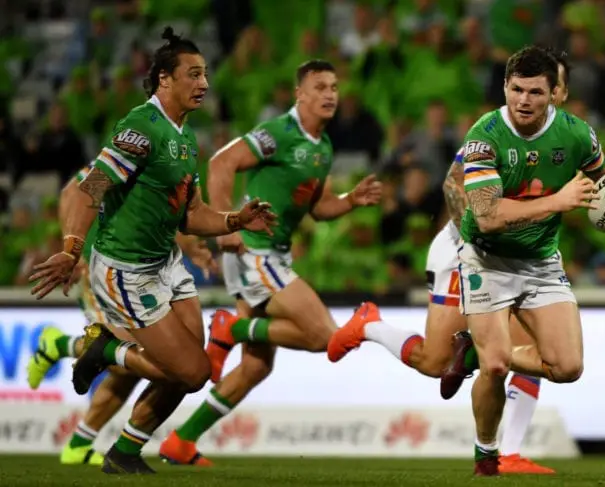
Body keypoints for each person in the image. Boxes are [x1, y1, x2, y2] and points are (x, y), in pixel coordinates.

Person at [28, 27, 276, 475]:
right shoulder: (141, 127)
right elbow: (91, 188)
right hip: (127, 269)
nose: (204, 83)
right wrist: (71, 249)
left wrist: (235, 220)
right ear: (164, 78)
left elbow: (192, 215)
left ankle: (125, 451)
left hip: (167, 263)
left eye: (205, 74)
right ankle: (107, 350)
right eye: (193, 74)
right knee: (193, 373)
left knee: (191, 369)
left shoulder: (185, 138)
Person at [326, 50, 575, 475]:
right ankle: (369, 326)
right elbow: (452, 185)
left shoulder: (568, 140)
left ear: (559, 93)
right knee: (436, 363)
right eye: (526, 89)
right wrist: (477, 242)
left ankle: (508, 451)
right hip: (467, 252)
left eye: (552, 87)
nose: (538, 96)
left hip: (526, 259)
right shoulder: (494, 131)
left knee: (535, 346)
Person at [440, 45, 605, 476]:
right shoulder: (484, 136)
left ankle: (474, 351)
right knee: (497, 365)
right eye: (516, 89)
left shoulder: (576, 134)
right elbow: (488, 215)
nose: (523, 100)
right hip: (486, 259)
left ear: (554, 93)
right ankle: (487, 456)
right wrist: (559, 201)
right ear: (505, 86)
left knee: (568, 367)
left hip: (540, 262)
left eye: (535, 92)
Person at [158, 59, 382, 465]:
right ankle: (231, 328)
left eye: (334, 87)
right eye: (319, 87)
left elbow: (318, 209)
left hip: (268, 253)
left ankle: (182, 440)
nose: (330, 94)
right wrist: (225, 224)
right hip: (253, 250)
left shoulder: (323, 147)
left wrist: (350, 201)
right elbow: (221, 162)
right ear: (300, 94)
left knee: (256, 367)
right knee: (324, 335)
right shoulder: (280, 132)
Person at [27, 162, 217, 466]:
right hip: (104, 267)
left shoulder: (160, 166)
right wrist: (72, 251)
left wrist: (192, 249)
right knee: (129, 358)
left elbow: (163, 218)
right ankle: (61, 344)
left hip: (144, 270)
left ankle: (80, 443)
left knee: (136, 360)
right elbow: (72, 192)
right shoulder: (125, 156)